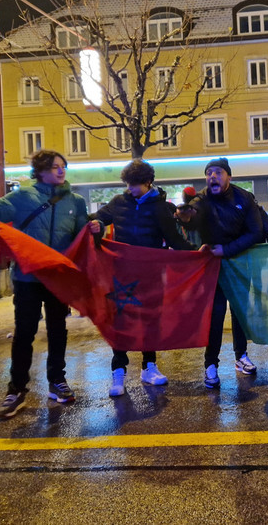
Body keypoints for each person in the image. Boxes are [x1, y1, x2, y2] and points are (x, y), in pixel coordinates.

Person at [0, 150, 89, 419]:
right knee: (24, 332)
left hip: (58, 277)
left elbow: (82, 234)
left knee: (58, 329)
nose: (61, 171)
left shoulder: (76, 201)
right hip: (27, 278)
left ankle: (56, 380)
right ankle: (16, 388)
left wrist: (96, 228)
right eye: (54, 167)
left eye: (63, 166)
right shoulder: (24, 196)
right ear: (39, 171)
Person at [88, 159, 195, 397]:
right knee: (121, 322)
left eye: (135, 185)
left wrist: (198, 254)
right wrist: (96, 223)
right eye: (128, 184)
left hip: (151, 274)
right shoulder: (118, 202)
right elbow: (99, 217)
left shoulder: (161, 207)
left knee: (150, 320)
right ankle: (118, 372)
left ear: (148, 182)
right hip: (122, 274)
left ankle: (149, 367)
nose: (130, 189)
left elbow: (175, 240)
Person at [177, 158, 262, 389]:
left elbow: (256, 231)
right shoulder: (202, 198)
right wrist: (185, 217)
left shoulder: (244, 198)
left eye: (218, 172)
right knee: (214, 316)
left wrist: (227, 249)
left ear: (229, 176)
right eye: (209, 173)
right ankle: (210, 364)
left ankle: (241, 356)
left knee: (239, 312)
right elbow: (193, 215)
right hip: (212, 266)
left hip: (239, 262)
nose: (212, 176)